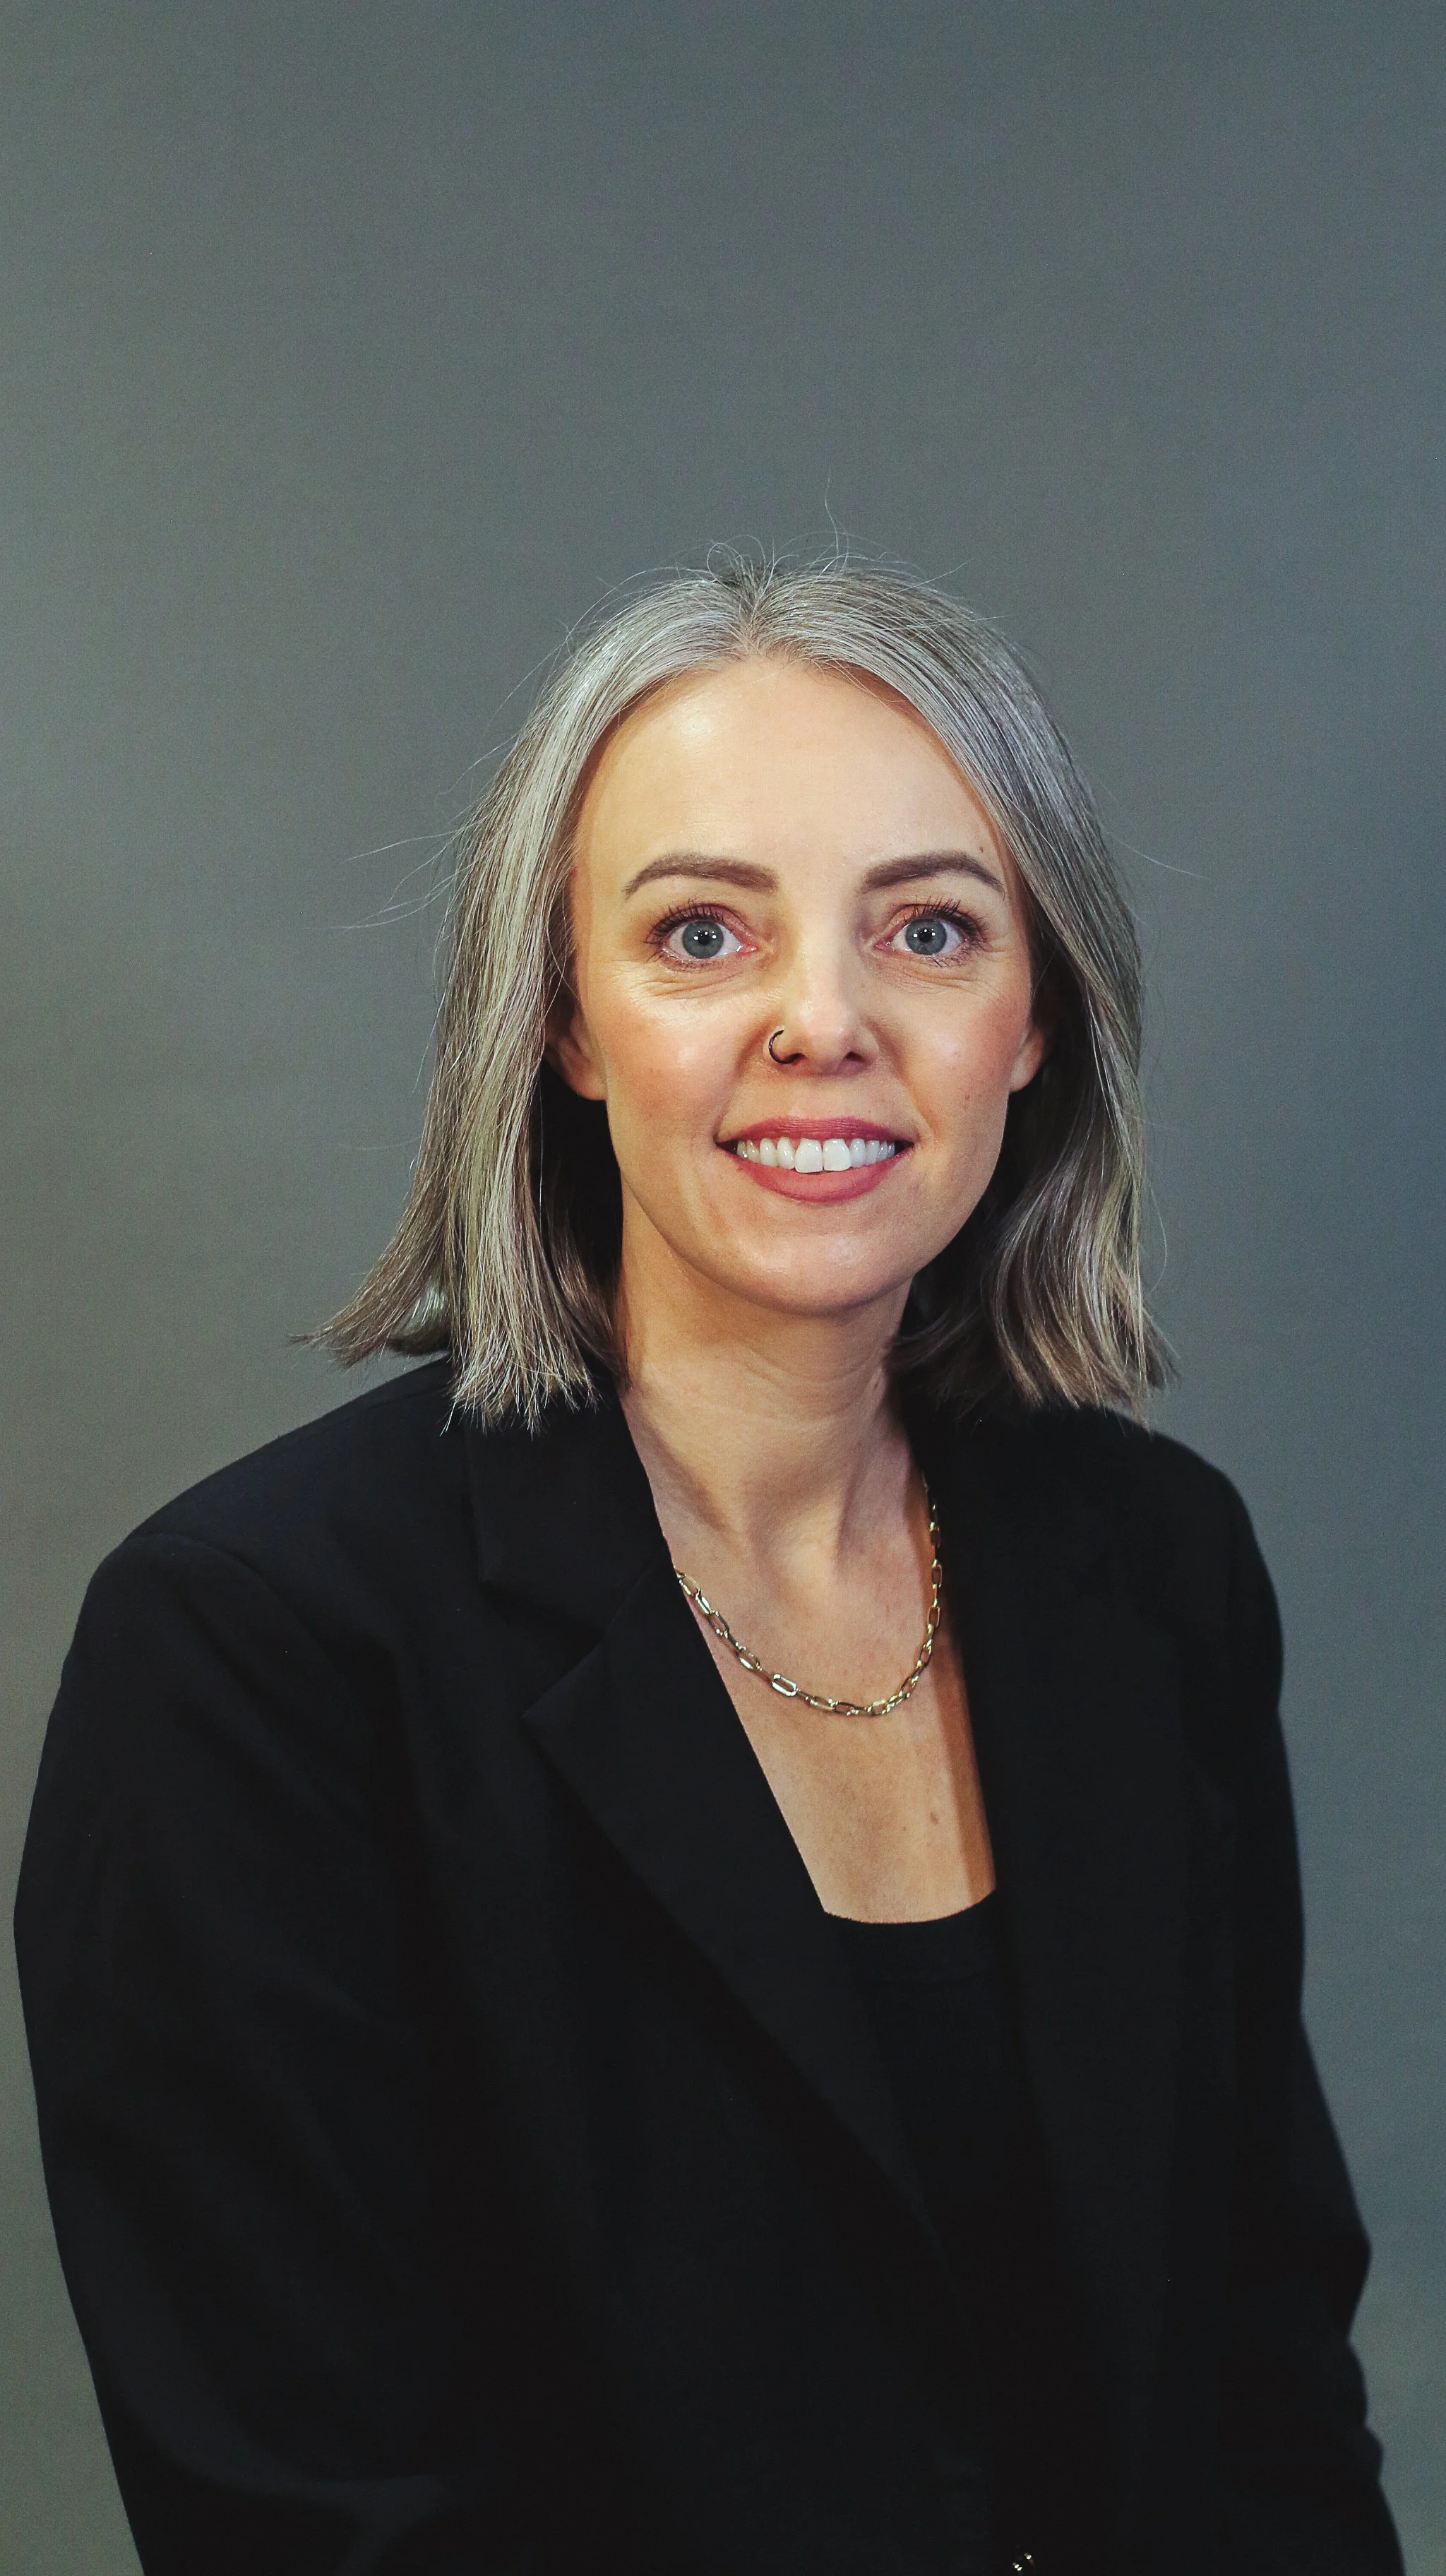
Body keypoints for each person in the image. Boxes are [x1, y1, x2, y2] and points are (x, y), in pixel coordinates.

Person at [16, 558, 1402, 2576]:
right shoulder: (255, 1653)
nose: (823, 1023)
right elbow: (317, 2521)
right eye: (698, 936)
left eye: (930, 930)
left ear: (1034, 1021)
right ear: (566, 1024)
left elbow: (1268, 2400)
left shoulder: (1162, 1571)